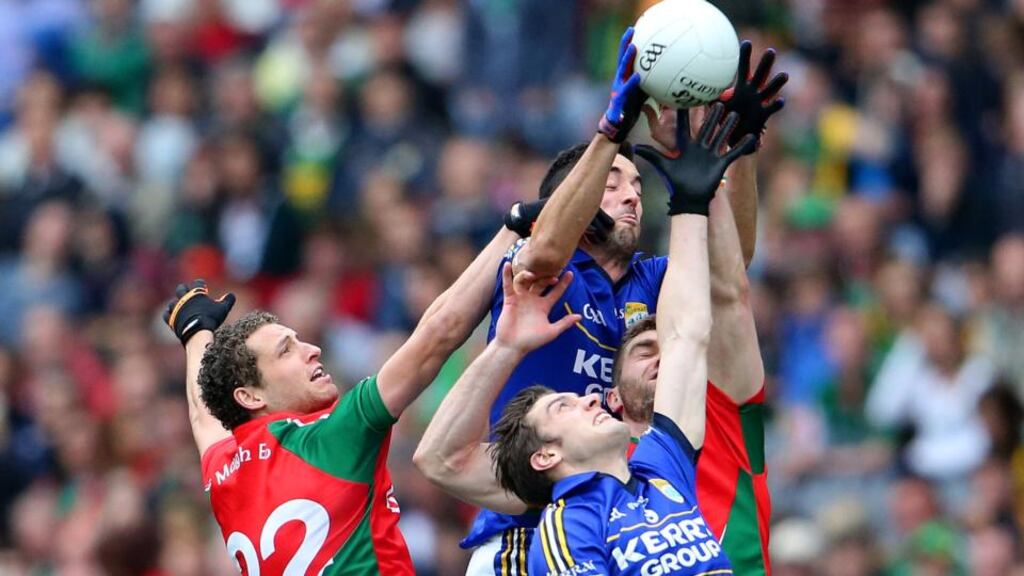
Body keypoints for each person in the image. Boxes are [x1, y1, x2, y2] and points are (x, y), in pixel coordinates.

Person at [418, 32, 784, 574]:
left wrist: (737, 153)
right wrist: (611, 130)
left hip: (626, 498)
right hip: (525, 515)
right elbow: (543, 245)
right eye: (611, 184)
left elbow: (730, 274)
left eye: (637, 184)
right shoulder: (541, 271)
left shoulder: (654, 277)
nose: (632, 194)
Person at [161, 224, 519, 574]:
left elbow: (203, 416)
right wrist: (513, 229)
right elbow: (437, 335)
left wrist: (195, 332)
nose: (312, 350)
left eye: (300, 340)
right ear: (249, 396)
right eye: (286, 351)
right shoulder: (334, 436)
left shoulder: (224, 468)